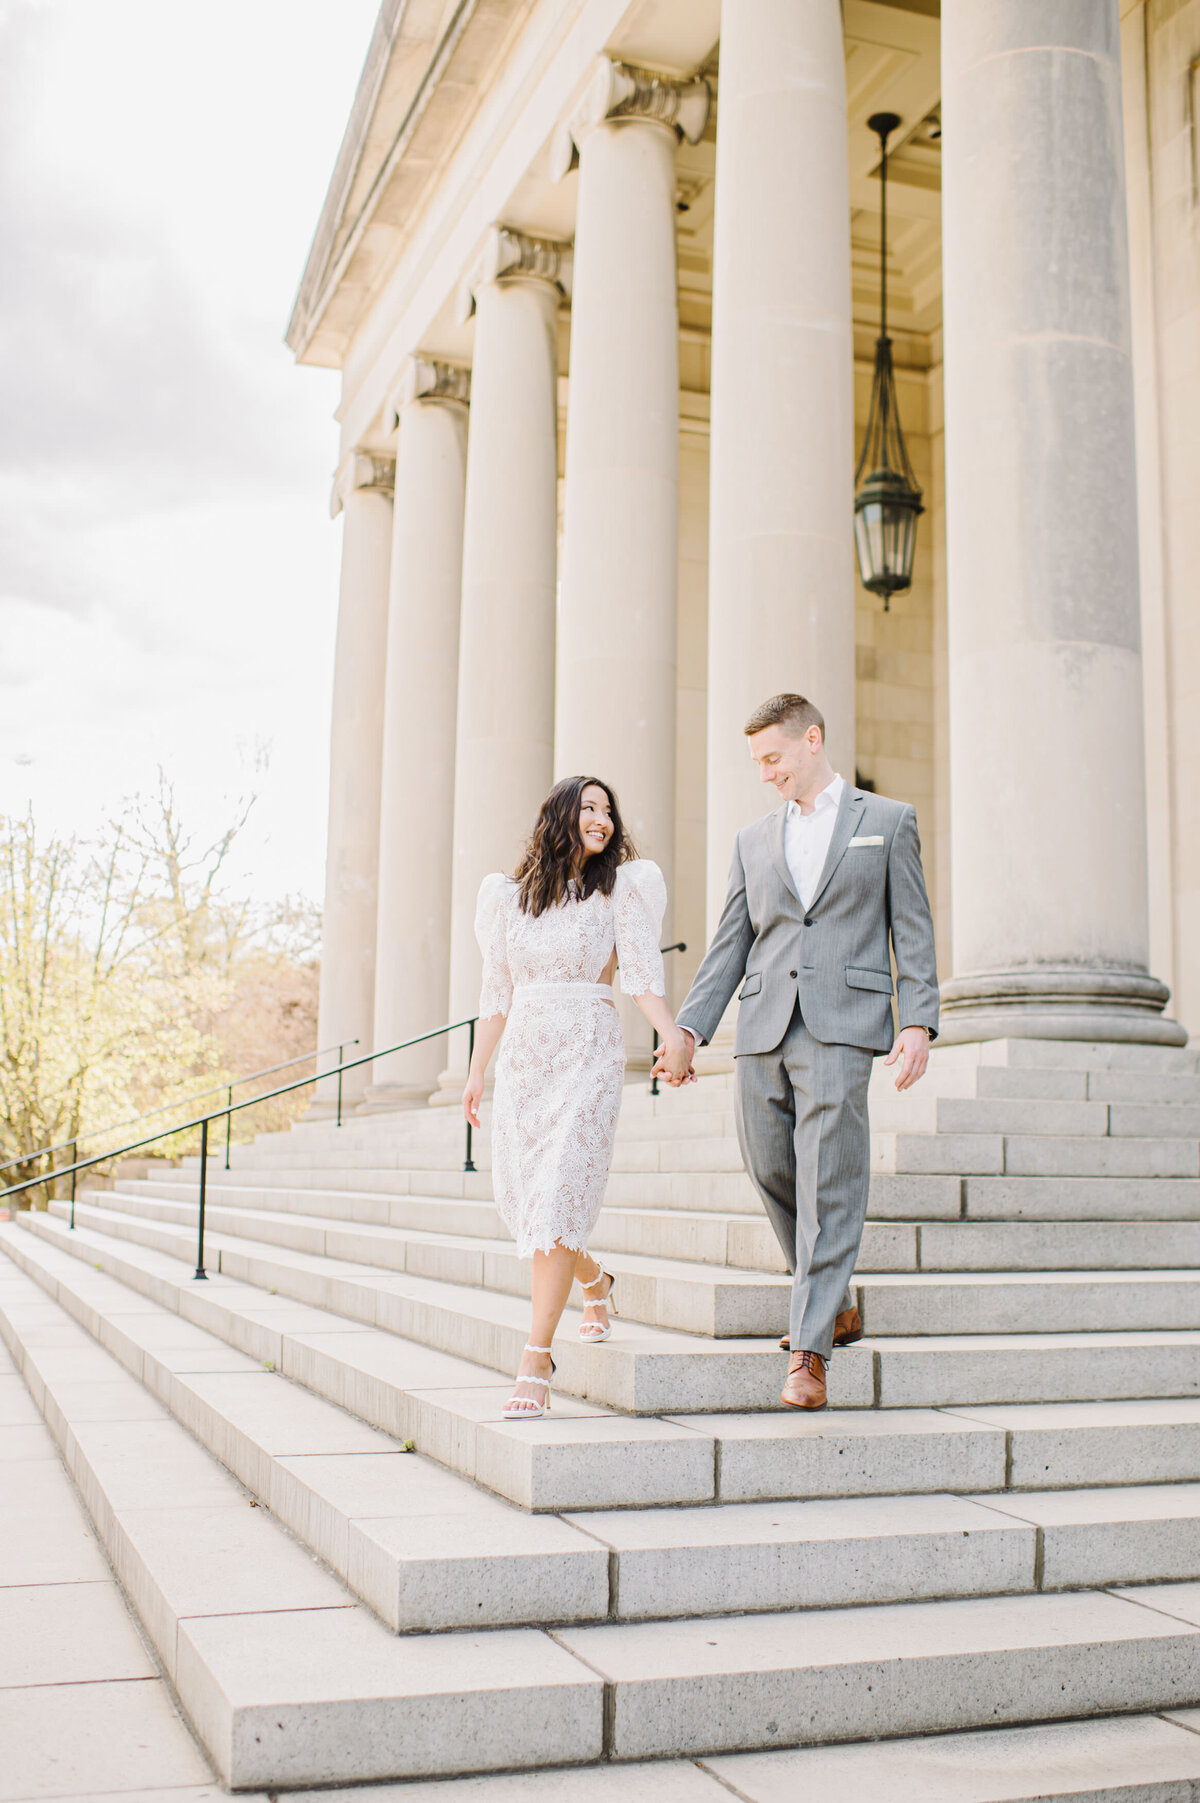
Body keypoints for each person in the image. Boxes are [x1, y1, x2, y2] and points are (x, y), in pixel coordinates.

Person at [656, 692, 939, 1411]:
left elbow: (912, 926)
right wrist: (689, 1031)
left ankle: (809, 1352)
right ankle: (833, 1294)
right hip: (762, 1027)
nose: (764, 773)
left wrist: (919, 1021)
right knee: (770, 1164)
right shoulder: (753, 839)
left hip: (844, 1023)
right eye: (757, 761)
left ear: (812, 740)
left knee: (830, 1181)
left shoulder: (887, 821)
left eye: (772, 757)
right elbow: (730, 945)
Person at [463, 775, 692, 1419]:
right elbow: (495, 996)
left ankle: (536, 1358)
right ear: (561, 816)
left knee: (560, 1192)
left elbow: (642, 973)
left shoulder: (620, 889)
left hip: (589, 1050)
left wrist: (671, 1034)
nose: (602, 818)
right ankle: (593, 1278)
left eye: (609, 810)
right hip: (527, 1058)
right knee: (531, 1204)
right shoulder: (509, 901)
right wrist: (477, 1072)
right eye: (589, 807)